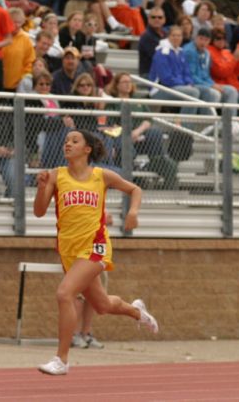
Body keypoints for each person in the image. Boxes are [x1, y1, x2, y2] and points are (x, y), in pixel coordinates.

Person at [33, 130, 158, 376]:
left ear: (87, 149)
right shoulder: (56, 176)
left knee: (64, 293)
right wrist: (41, 187)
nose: (67, 143)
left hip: (95, 245)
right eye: (66, 140)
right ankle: (136, 311)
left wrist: (133, 213)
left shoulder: (101, 175)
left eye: (74, 141)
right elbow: (39, 212)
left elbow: (135, 190)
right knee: (101, 305)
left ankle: (62, 359)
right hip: (69, 249)